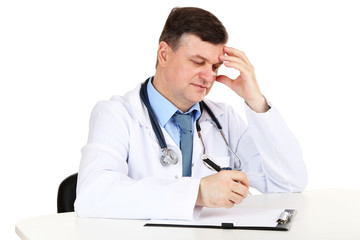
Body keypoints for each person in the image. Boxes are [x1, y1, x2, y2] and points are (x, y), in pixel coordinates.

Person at [74, 7, 307, 220]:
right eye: (198, 62)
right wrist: (198, 193)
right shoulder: (116, 115)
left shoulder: (224, 120)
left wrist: (255, 100)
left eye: (215, 67)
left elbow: (289, 184)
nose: (208, 76)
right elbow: (92, 194)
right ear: (164, 55)